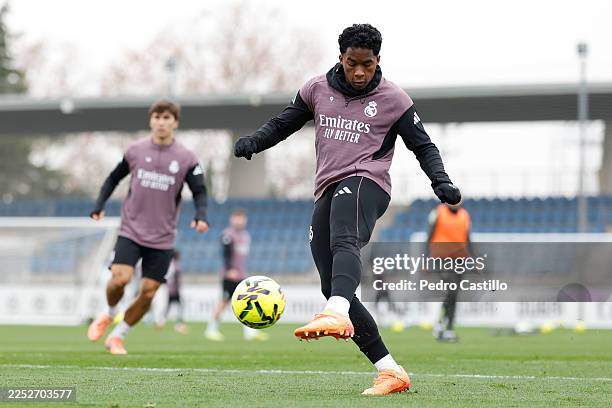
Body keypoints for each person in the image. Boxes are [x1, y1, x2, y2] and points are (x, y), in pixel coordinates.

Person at [234, 24, 461, 395]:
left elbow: (423, 146)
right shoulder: (315, 89)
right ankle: (390, 371)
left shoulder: (394, 99)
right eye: (352, 63)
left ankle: (336, 312)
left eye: (367, 65)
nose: (359, 72)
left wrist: (441, 181)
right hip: (327, 188)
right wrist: (255, 142)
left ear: (378, 60)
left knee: (345, 238)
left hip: (368, 184)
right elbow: (283, 123)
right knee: (331, 284)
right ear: (341, 58)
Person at [87, 100, 209, 355]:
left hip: (163, 237)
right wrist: (99, 205)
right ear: (151, 121)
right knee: (120, 279)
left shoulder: (186, 158)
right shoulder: (135, 150)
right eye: (157, 117)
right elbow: (113, 178)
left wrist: (201, 216)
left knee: (149, 292)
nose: (161, 122)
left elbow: (199, 190)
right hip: (131, 230)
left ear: (175, 123)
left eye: (167, 118)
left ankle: (118, 336)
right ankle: (109, 312)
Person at [205, 209, 267, 341]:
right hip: (230, 275)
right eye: (237, 218)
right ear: (232, 219)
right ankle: (211, 329)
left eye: (241, 218)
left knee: (248, 302)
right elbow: (225, 253)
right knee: (223, 302)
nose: (239, 221)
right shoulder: (228, 234)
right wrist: (230, 269)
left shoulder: (245, 236)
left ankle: (250, 332)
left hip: (241, 275)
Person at [427, 203, 472, 343]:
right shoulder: (437, 212)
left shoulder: (465, 215)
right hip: (441, 257)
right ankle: (442, 323)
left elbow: (468, 238)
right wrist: (424, 257)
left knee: (454, 293)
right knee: (451, 290)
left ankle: (448, 327)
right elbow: (429, 234)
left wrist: (473, 258)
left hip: (460, 258)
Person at [154, 250, 190, 334]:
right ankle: (178, 324)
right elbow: (176, 279)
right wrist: (177, 289)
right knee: (179, 306)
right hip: (174, 290)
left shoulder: (170, 264)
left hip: (170, 289)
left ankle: (161, 322)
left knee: (169, 307)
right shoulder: (176, 265)